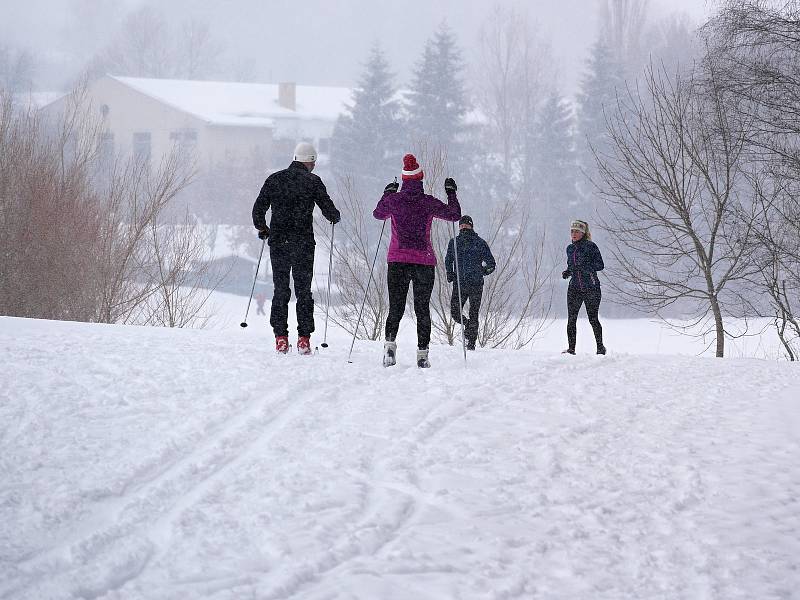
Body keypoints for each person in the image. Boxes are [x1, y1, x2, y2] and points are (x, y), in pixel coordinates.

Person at [252, 141, 341, 355]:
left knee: (281, 290)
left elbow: (258, 210)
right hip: (303, 244)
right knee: (303, 291)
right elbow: (330, 211)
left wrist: (263, 228)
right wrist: (334, 217)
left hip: (279, 243)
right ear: (311, 162)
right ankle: (304, 340)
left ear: (294, 158)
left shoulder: (274, 179)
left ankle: (281, 338)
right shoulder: (313, 181)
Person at [373, 153, 461, 368]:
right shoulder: (428, 202)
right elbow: (454, 215)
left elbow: (378, 214)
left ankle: (390, 349)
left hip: (398, 260)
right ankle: (422, 354)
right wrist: (451, 193)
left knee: (396, 307)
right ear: (420, 179)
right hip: (423, 261)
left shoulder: (394, 201)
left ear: (403, 180)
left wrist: (387, 194)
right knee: (422, 308)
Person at [445, 215, 496, 351]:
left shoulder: (480, 243)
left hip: (476, 283)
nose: (463, 228)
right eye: (461, 226)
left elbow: (491, 263)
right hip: (459, 283)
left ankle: (471, 343)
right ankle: (467, 324)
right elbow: (448, 260)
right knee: (455, 312)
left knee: (474, 313)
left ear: (471, 226)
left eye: (466, 225)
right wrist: (450, 273)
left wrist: (482, 271)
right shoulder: (454, 242)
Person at [561, 219, 606, 355]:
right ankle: (571, 349)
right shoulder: (570, 248)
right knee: (571, 319)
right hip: (574, 288)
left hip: (591, 287)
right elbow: (572, 266)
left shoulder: (591, 246)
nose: (573, 234)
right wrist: (568, 272)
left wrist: (586, 267)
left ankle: (600, 348)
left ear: (583, 233)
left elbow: (600, 265)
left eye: (577, 231)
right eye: (572, 231)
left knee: (593, 319)